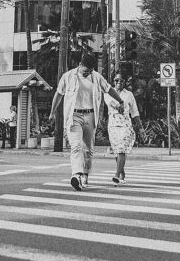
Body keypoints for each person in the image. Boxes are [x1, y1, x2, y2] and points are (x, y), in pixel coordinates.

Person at [48, 50, 126, 191]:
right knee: (76, 146)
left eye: (89, 72)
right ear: (79, 65)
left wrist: (120, 101)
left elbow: (109, 89)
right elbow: (58, 94)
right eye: (84, 71)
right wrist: (52, 112)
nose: (86, 74)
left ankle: (85, 175)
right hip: (74, 116)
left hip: (90, 116)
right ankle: (76, 175)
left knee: (89, 150)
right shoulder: (68, 76)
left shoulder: (96, 77)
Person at [105, 72, 144, 183]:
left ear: (124, 82)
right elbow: (110, 102)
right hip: (113, 124)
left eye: (121, 80)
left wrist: (140, 128)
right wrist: (118, 105)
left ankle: (116, 175)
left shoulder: (129, 94)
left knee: (122, 148)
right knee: (117, 150)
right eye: (116, 80)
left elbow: (135, 112)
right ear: (113, 81)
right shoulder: (108, 93)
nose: (118, 82)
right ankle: (121, 170)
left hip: (125, 124)